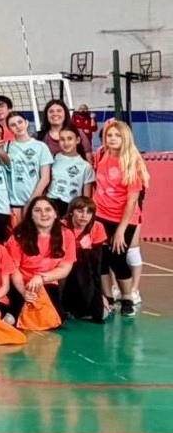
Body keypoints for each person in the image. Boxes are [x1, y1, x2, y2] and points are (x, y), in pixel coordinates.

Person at [92, 120, 148, 316]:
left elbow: (132, 202)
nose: (113, 139)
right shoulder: (101, 154)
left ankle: (127, 298)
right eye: (109, 135)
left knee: (118, 258)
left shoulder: (133, 163)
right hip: (100, 215)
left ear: (125, 138)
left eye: (117, 135)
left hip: (123, 218)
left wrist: (121, 231)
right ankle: (108, 298)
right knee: (102, 260)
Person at [6, 197, 75, 322]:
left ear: (55, 214)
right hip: (20, 282)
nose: (43, 214)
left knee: (55, 319)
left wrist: (41, 278)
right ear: (31, 215)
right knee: (14, 316)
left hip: (47, 282)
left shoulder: (67, 235)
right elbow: (13, 270)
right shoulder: (18, 236)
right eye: (37, 210)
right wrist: (24, 293)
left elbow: (65, 268)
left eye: (48, 210)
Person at [5, 112, 53, 226]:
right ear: (9, 129)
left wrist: (31, 202)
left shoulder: (40, 146)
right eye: (13, 125)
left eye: (20, 122)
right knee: (16, 238)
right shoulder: (6, 146)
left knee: (33, 238)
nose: (18, 126)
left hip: (34, 201)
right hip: (13, 202)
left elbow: (45, 178)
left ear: (26, 123)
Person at [48, 126, 96, 216]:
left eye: (70, 139)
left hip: (70, 208)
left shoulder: (85, 166)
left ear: (77, 140)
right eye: (62, 139)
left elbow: (86, 198)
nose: (66, 143)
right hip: (50, 204)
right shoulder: (53, 158)